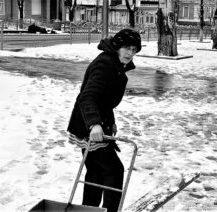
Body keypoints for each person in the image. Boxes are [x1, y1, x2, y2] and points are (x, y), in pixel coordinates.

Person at [67, 28, 141, 212]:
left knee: (96, 172)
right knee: (114, 171)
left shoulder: (115, 64)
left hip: (91, 124)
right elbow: (87, 97)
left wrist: (110, 119)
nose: (130, 53)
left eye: (134, 49)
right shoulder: (105, 64)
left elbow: (103, 100)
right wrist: (94, 124)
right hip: (88, 127)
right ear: (117, 46)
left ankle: (88, 209)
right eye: (127, 48)